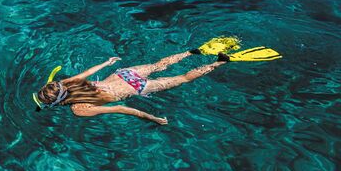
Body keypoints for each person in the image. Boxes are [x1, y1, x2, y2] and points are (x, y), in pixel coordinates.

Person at [33, 37, 279, 125]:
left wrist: (152, 118)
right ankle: (194, 51)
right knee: (161, 63)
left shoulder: (79, 109)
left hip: (136, 88)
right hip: (124, 73)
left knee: (183, 78)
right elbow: (87, 72)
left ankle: (223, 61)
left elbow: (120, 108)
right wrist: (108, 64)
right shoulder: (71, 83)